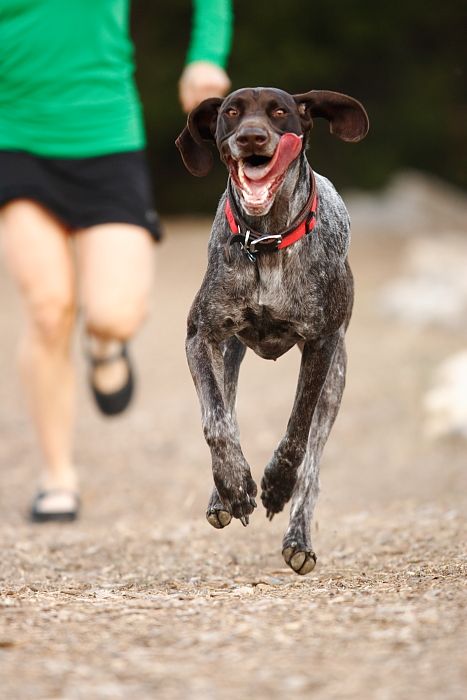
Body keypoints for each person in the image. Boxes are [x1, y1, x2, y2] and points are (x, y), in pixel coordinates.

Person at [0, 0, 233, 522]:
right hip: (11, 136)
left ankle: (106, 346)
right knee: (47, 309)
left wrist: (205, 55)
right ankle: (56, 475)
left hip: (106, 135)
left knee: (113, 313)